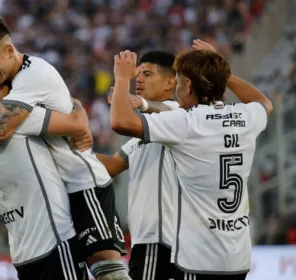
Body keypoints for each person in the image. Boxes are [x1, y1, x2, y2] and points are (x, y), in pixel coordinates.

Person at [0, 15, 129, 280]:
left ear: (10, 49)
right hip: (60, 188)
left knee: (108, 272)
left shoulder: (32, 75)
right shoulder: (10, 88)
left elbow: (0, 129)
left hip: (82, 181)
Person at [109, 40, 273, 279]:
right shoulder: (244, 116)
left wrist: (123, 78)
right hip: (237, 256)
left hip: (198, 257)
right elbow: (264, 103)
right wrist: (222, 72)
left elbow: (120, 122)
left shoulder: (187, 123)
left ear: (187, 85)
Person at [0, 75, 90, 279]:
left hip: (22, 254)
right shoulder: (13, 116)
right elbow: (77, 124)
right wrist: (76, 104)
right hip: (53, 242)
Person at [90, 50, 179, 280]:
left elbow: (119, 121)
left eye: (147, 74)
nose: (138, 79)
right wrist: (68, 148)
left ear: (171, 81)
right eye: (137, 74)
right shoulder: (149, 130)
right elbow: (111, 165)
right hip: (152, 240)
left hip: (160, 239)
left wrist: (122, 79)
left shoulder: (180, 116)